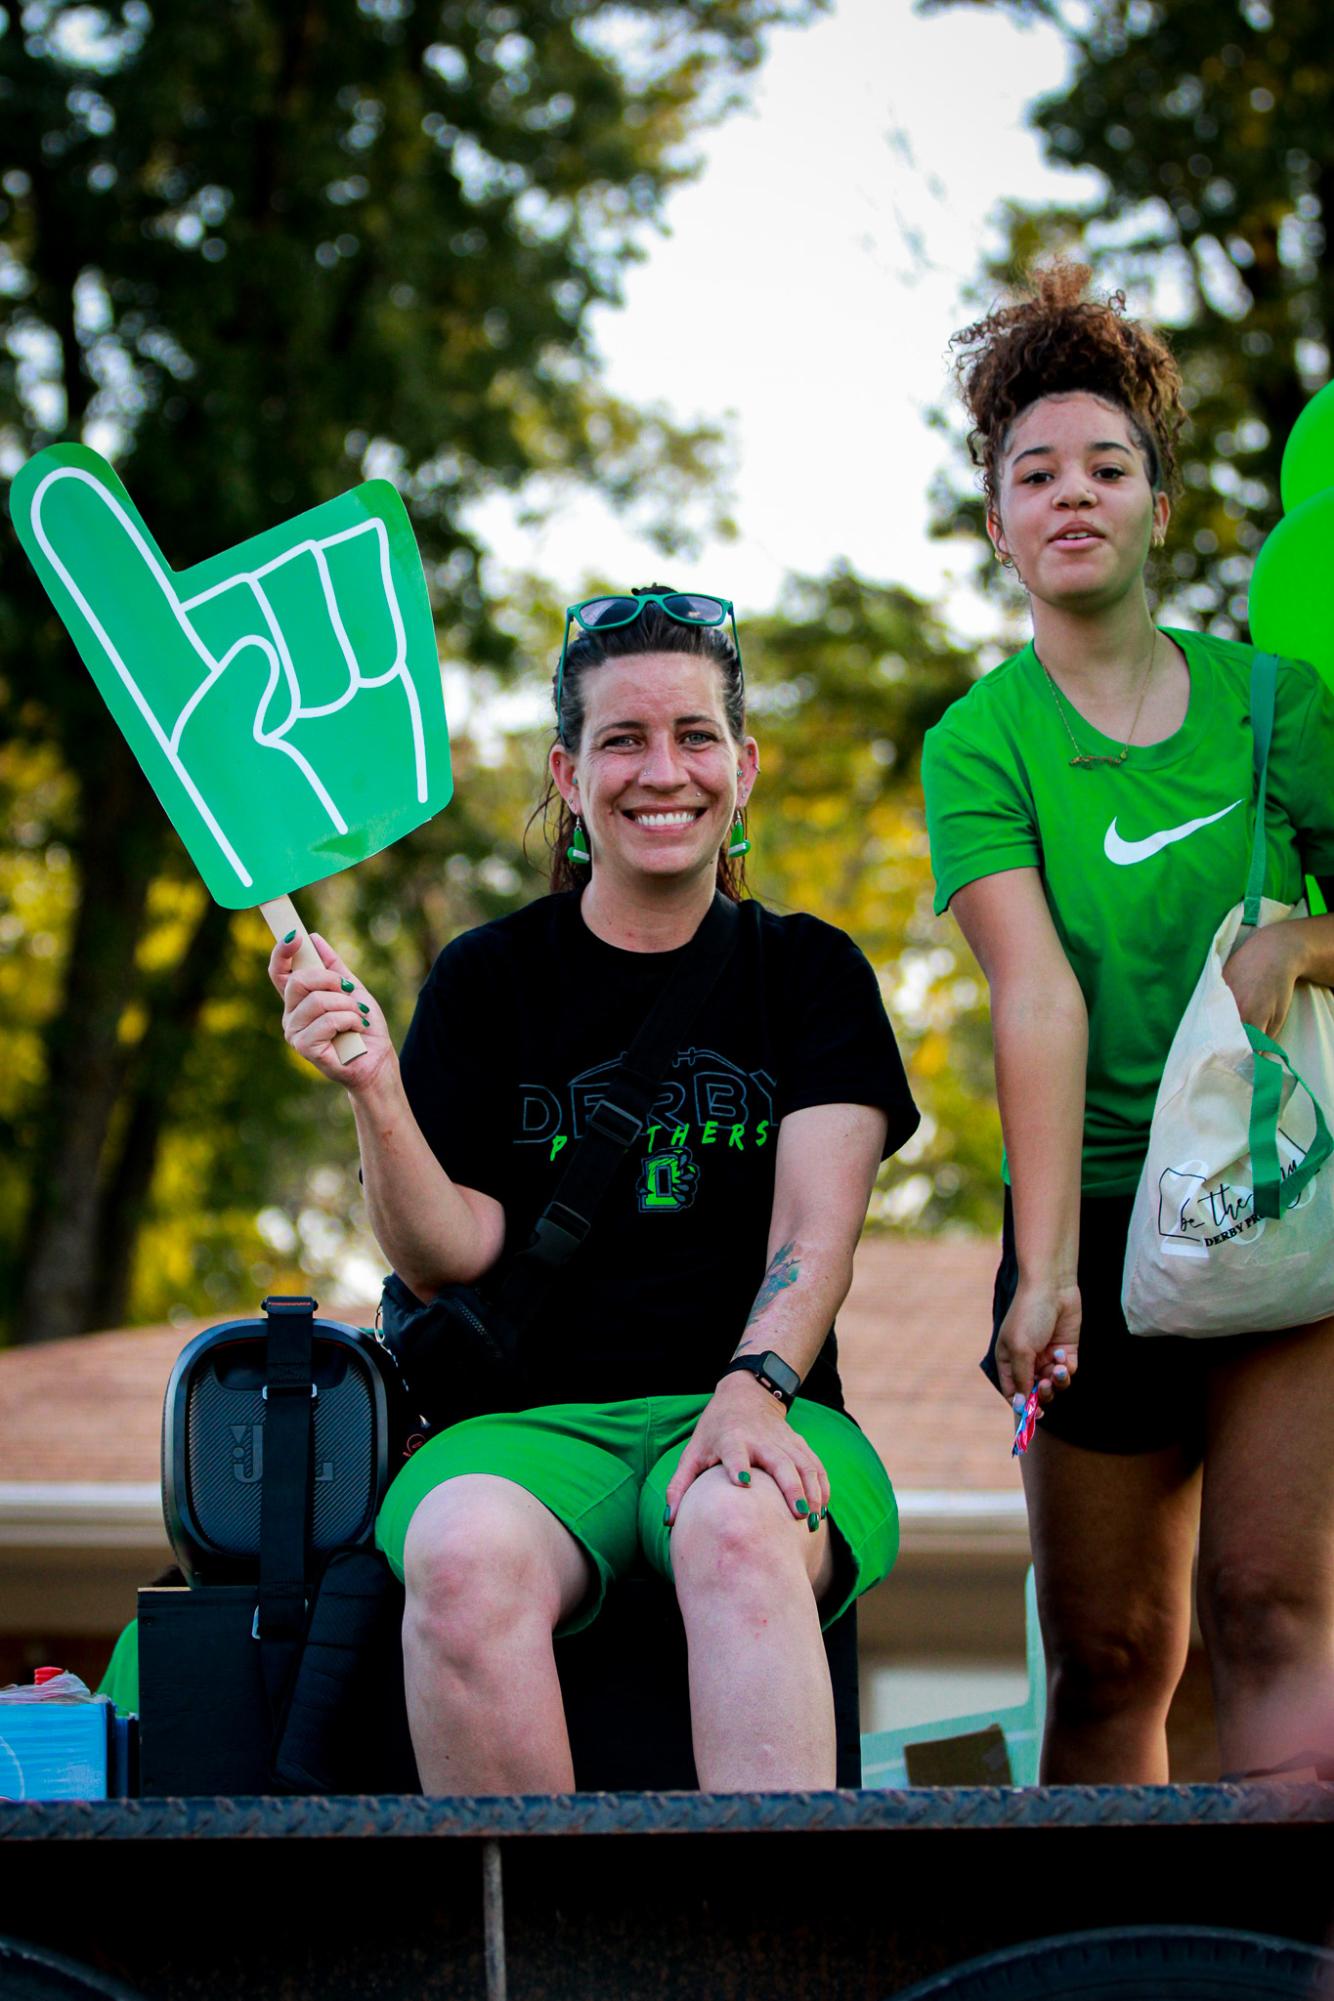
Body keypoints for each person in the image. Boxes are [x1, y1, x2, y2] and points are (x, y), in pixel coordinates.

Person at [272, 586, 919, 1794]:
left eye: (693, 735)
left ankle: (765, 1963)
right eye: (621, 740)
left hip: (759, 1402)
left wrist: (752, 1388)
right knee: (459, 1555)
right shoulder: (486, 979)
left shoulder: (809, 972)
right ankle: (542, 1962)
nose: (658, 770)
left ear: (743, 766)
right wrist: (371, 1089)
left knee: (735, 1519)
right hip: (531, 1434)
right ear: (569, 777)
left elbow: (811, 1234)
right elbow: (443, 1253)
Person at [921, 263, 1334, 1785]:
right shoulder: (979, 739)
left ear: (1161, 506)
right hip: (1094, 1218)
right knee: (1105, 1654)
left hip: (1281, 1203)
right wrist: (1040, 1274)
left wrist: (1300, 936)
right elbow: (1035, 992)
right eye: (1035, 475)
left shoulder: (1274, 705)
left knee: (1269, 1610)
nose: (1071, 495)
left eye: (1107, 467)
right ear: (998, 526)